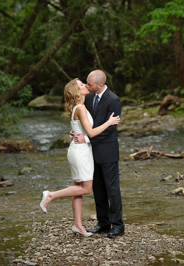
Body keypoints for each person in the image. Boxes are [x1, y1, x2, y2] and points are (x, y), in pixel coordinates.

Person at [39, 78, 120, 237]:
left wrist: (76, 133)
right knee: (86, 188)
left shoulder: (81, 106)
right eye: (82, 85)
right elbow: (90, 133)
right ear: (77, 91)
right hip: (81, 151)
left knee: (78, 189)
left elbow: (80, 129)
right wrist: (109, 122)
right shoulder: (81, 108)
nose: (85, 85)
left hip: (78, 149)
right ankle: (51, 195)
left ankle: (77, 224)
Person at [75, 70, 125, 239]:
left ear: (101, 85)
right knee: (97, 189)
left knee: (112, 189)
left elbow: (110, 129)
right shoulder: (88, 98)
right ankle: (103, 223)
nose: (87, 86)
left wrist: (87, 138)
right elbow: (86, 123)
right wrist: (75, 132)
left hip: (108, 151)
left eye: (90, 84)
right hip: (90, 152)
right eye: (86, 83)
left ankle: (118, 225)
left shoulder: (114, 100)